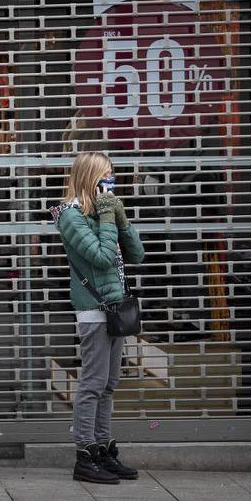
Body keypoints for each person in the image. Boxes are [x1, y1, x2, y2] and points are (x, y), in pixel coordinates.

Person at [51, 152, 146, 484]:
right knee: (92, 383)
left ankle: (105, 449)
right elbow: (103, 258)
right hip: (93, 311)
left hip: (116, 309)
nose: (112, 179)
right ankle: (85, 454)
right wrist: (108, 217)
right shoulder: (71, 216)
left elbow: (137, 254)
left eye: (113, 173)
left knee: (109, 384)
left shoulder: (101, 212)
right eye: (106, 173)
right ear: (90, 177)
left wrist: (121, 219)